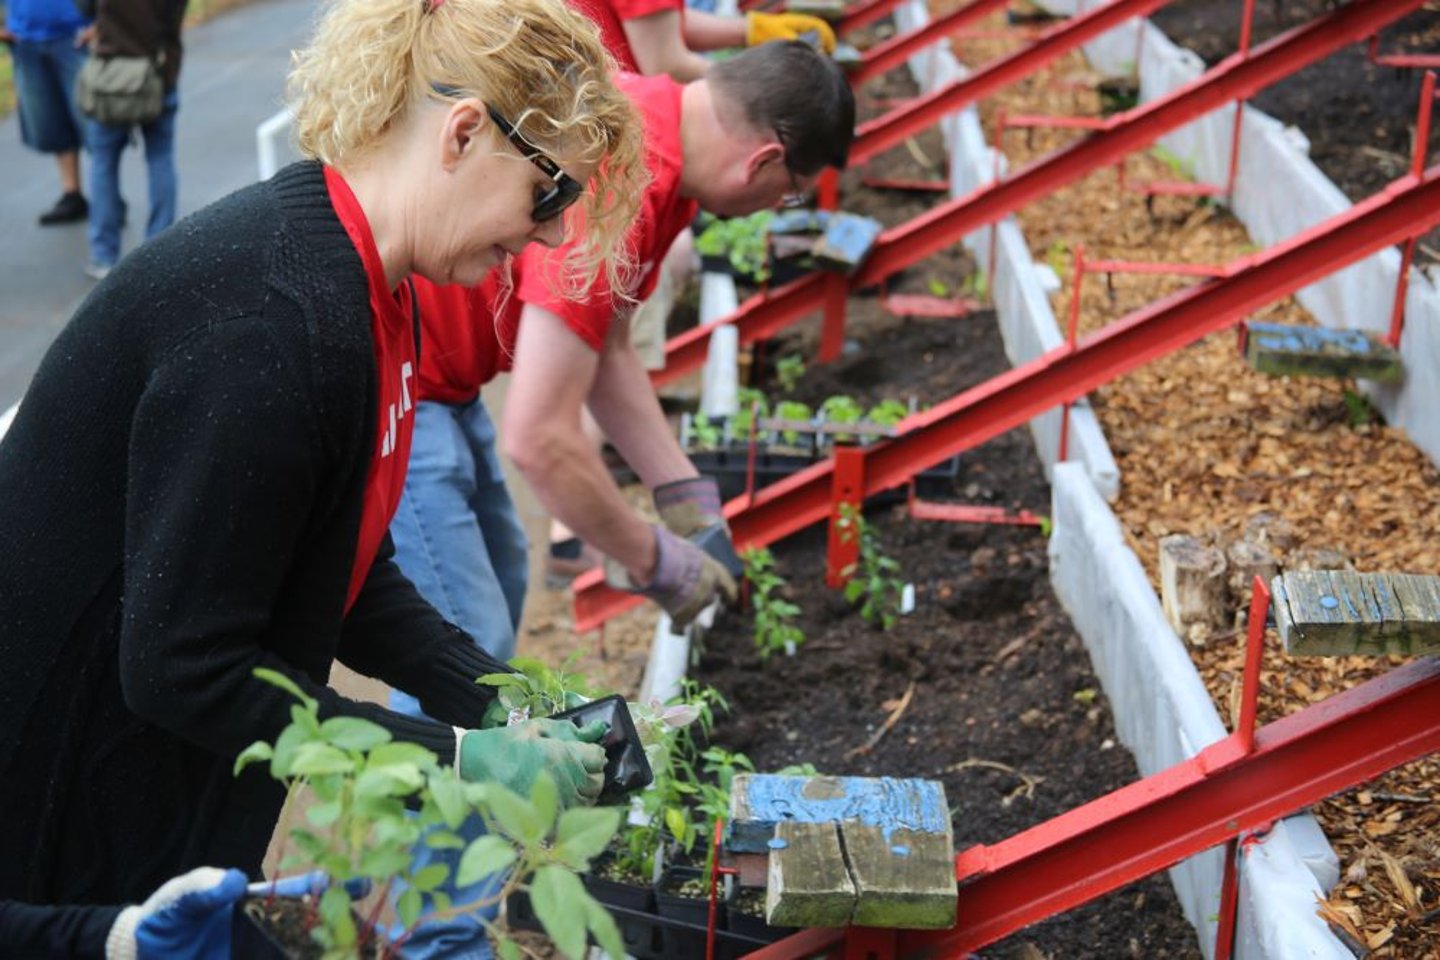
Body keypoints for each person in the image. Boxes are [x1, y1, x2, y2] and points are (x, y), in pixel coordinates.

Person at [0, 0, 646, 910]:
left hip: (152, 790)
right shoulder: (274, 326)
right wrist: (458, 757)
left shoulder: (369, 291)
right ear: (463, 134)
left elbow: (345, 568)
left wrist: (505, 703)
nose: (547, 232)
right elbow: (181, 667)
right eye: (550, 191)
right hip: (61, 808)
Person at [75, 0, 188, 280]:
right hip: (157, 72)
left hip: (109, 74)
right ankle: (159, 252)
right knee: (160, 158)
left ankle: (104, 255)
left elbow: (84, 9)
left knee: (103, 163)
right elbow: (174, 17)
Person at [571, 0, 836, 81]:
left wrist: (751, 30)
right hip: (609, 123)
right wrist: (761, 82)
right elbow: (667, 66)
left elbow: (653, 23)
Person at [3, 0, 91, 224]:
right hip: (26, 39)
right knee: (50, 121)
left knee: (93, 120)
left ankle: (108, 195)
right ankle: (72, 193)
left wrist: (102, 25)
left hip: (77, 35)